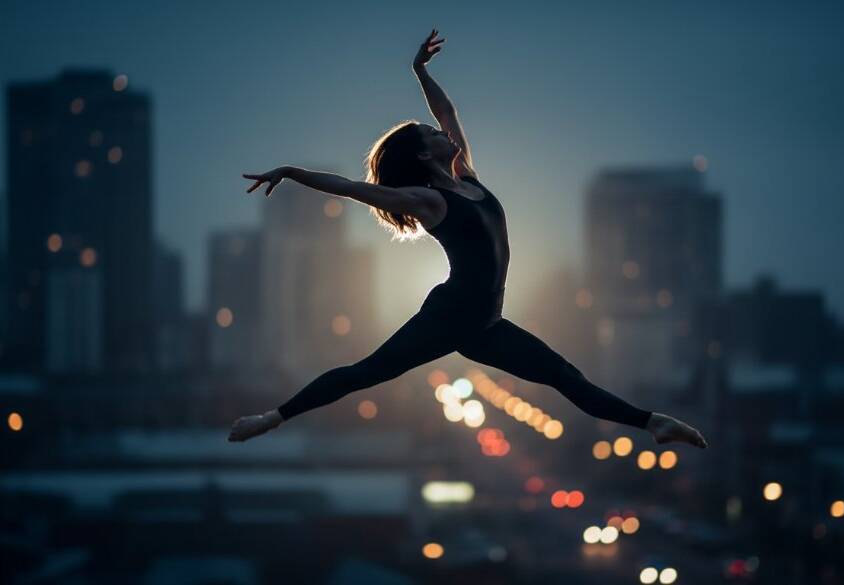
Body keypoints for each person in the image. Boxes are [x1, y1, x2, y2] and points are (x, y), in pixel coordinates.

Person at [228, 29, 708, 450]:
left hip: (486, 324)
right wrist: (291, 172)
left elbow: (447, 109)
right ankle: (271, 419)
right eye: (430, 132)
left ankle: (654, 423)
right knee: (367, 372)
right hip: (449, 317)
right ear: (422, 152)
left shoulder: (467, 176)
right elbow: (354, 188)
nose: (443, 130)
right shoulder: (430, 199)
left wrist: (419, 71)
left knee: (567, 378)